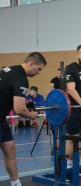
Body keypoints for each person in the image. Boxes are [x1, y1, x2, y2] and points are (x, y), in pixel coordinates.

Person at [0, 52, 47, 186]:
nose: (39, 73)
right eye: (39, 69)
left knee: (10, 148)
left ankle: (16, 183)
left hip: (1, 118)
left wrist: (24, 103)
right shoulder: (21, 77)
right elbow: (19, 110)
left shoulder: (11, 70)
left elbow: (8, 95)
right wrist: (34, 115)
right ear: (31, 63)